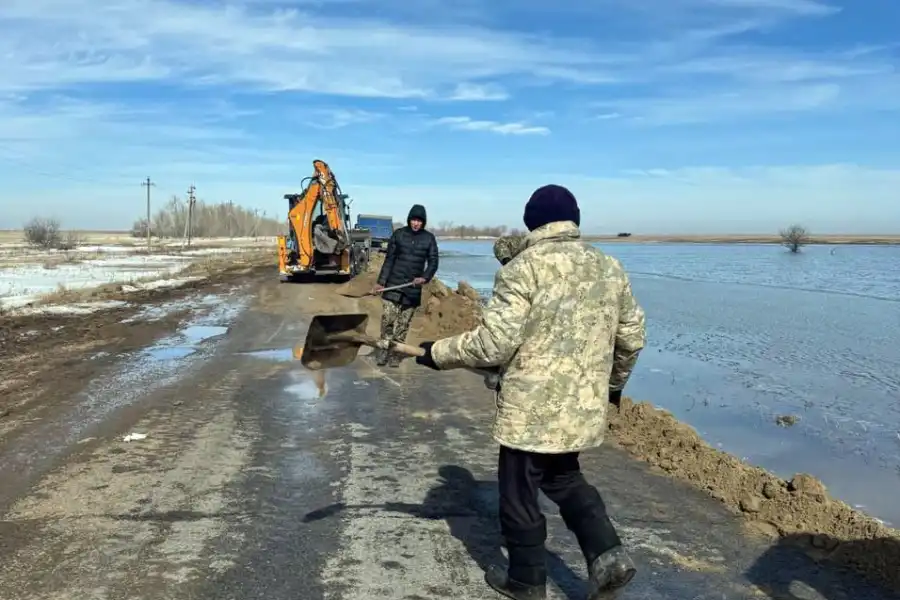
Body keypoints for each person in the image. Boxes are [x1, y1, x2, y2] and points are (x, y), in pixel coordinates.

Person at [414, 185, 646, 600]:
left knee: (519, 491)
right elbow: (631, 339)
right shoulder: (609, 267)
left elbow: (494, 344)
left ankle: (526, 579)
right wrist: (612, 387)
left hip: (530, 411)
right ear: (575, 220)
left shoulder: (523, 269)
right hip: (579, 408)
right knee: (565, 477)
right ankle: (608, 555)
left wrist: (438, 352)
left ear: (531, 222)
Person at [373, 203, 439, 367]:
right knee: (387, 320)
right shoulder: (399, 235)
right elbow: (389, 260)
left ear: (423, 222)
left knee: (403, 325)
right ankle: (383, 350)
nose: (416, 223)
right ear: (409, 220)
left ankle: (395, 353)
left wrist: (425, 277)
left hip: (412, 289)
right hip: (393, 285)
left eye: (419, 221)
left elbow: (433, 261)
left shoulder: (429, 238)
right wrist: (381, 282)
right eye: (414, 220)